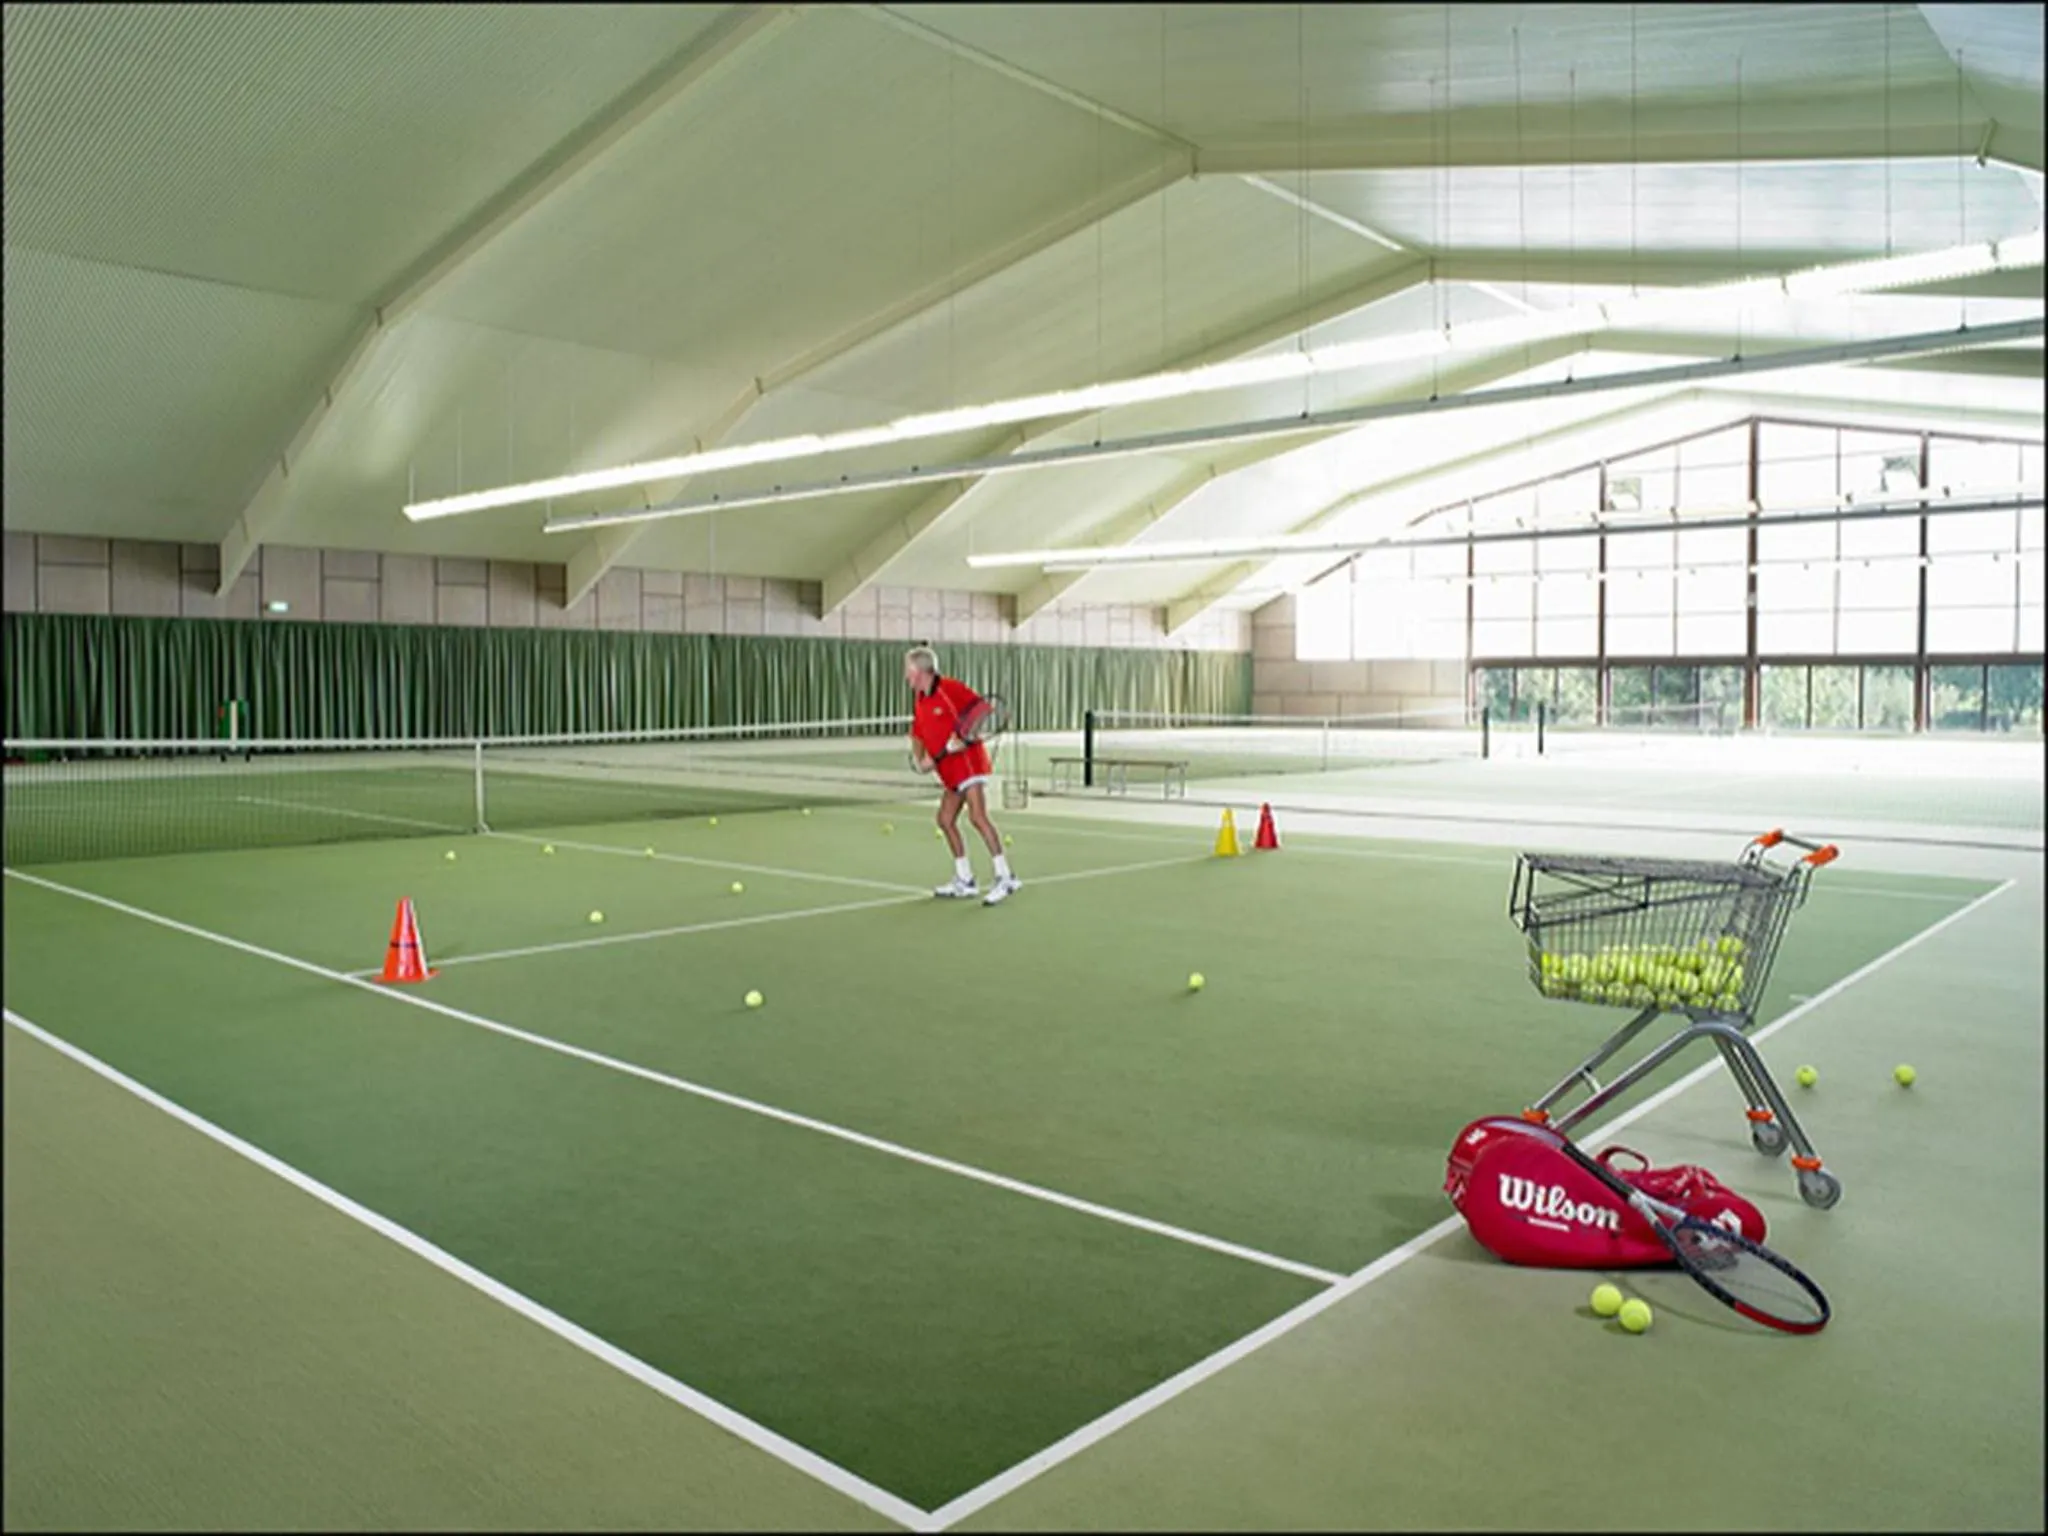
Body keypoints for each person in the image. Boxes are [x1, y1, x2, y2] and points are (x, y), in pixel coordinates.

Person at [905, 646, 1020, 905]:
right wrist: (921, 759)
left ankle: (1006, 877)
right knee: (945, 820)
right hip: (948, 771)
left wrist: (964, 736)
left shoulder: (950, 688)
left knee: (978, 817)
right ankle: (965, 880)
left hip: (969, 764)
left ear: (921, 671)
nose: (907, 677)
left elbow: (982, 709)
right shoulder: (921, 699)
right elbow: (918, 733)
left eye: (908, 671)